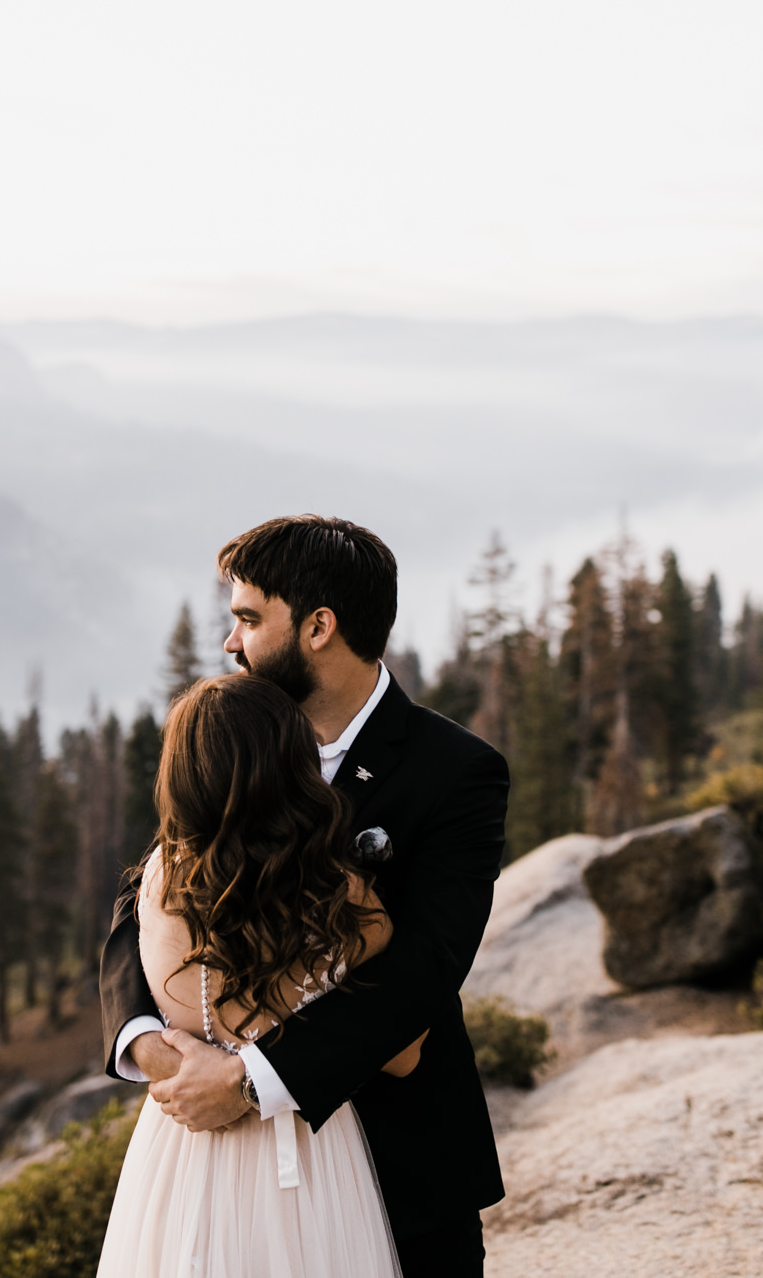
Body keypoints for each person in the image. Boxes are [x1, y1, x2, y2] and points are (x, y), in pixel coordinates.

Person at [101, 515, 510, 1277]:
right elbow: (145, 895)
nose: (232, 642)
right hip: (220, 1178)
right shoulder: (232, 733)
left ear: (319, 626)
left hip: (398, 1161)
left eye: (249, 619)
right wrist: (144, 1041)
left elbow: (425, 966)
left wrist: (252, 1081)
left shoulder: (456, 771)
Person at [95, 672, 414, 1275]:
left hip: (180, 1154)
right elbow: (403, 1052)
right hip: (309, 1163)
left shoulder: (159, 879)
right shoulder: (343, 898)